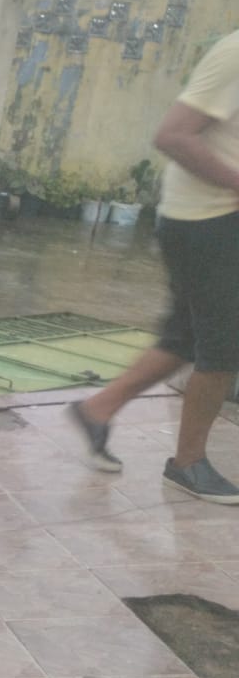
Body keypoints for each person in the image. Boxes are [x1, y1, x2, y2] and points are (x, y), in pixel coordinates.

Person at [70, 27, 239, 503]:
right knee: (223, 348)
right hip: (208, 221)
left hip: (212, 219)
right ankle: (187, 464)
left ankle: (97, 409)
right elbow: (173, 135)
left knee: (185, 337)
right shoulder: (236, 54)